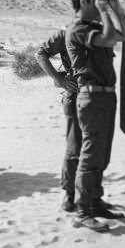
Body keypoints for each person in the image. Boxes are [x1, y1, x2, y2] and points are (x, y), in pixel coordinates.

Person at [65, 0, 125, 231]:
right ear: (83, 2)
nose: (98, 3)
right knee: (90, 154)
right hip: (92, 97)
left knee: (102, 154)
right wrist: (105, 11)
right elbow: (107, 39)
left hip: (105, 96)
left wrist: (116, 9)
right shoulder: (78, 29)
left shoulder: (93, 25)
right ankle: (82, 211)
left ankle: (95, 201)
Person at [35, 28, 80, 213]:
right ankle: (69, 195)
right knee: (74, 148)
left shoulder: (99, 31)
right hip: (76, 96)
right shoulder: (67, 33)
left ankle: (92, 195)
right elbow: (41, 54)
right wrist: (59, 80)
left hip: (97, 98)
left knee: (94, 149)